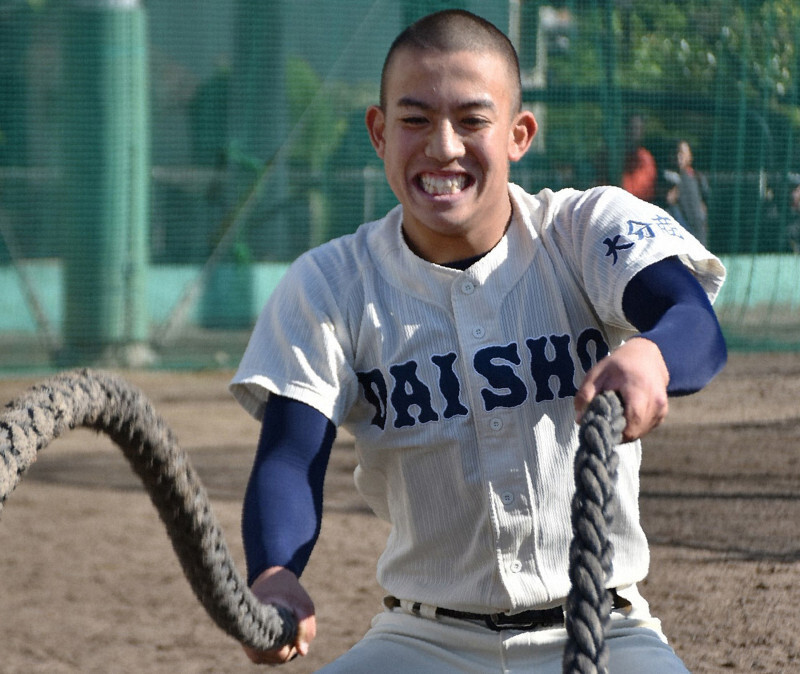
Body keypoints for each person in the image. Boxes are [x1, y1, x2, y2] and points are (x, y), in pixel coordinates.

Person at [229, 10, 727, 672]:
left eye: (471, 120)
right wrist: (273, 571)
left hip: (606, 626)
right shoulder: (329, 283)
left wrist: (652, 353)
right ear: (379, 132)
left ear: (520, 134)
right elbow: (291, 458)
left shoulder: (583, 229)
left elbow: (692, 320)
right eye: (414, 120)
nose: (443, 147)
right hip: (423, 638)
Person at [664, 140, 710, 246]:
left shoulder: (698, 177)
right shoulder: (668, 177)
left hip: (698, 232)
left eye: (682, 153)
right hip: (680, 235)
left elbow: (705, 201)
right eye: (676, 153)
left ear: (690, 156)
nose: (679, 156)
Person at [621, 114, 658, 202]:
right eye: (632, 127)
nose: (634, 132)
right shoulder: (612, 156)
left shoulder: (646, 158)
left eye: (638, 128)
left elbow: (648, 190)